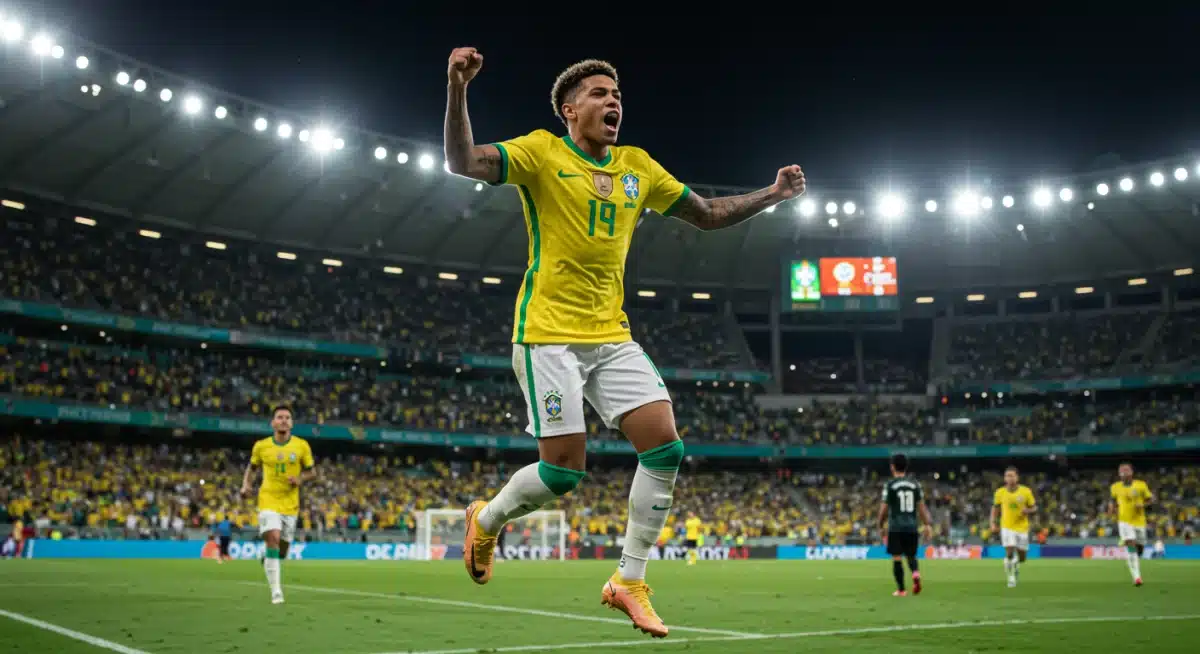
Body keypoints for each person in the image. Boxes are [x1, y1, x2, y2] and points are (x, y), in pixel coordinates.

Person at [443, 48, 805, 638]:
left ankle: (628, 581)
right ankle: (486, 518)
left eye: (617, 94)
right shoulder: (541, 152)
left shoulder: (636, 165)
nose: (613, 101)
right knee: (563, 473)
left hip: (610, 335)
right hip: (547, 335)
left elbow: (708, 214)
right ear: (569, 109)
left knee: (665, 448)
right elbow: (462, 161)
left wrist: (772, 193)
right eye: (599, 94)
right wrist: (458, 87)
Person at [241, 406, 315, 604]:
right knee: (272, 537)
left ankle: (268, 559)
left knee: (281, 550)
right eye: (280, 417)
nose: (283, 420)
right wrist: (246, 484)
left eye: (287, 418)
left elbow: (311, 472)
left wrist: (300, 478)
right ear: (273, 423)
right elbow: (252, 468)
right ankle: (276, 592)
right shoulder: (261, 446)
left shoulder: (301, 446)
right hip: (268, 500)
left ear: (292, 423)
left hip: (290, 505)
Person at [878, 453, 933, 596]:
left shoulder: (890, 485)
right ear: (906, 467)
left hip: (895, 526)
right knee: (911, 555)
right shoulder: (915, 484)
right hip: (912, 526)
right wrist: (927, 525)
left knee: (897, 557)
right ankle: (915, 573)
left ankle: (901, 590)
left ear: (892, 467)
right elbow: (921, 507)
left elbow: (884, 508)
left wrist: (880, 524)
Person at [990, 466, 1036, 588]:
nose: (1009, 478)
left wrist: (1028, 510)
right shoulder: (1000, 492)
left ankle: (1015, 564)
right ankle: (1010, 577)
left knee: (1022, 557)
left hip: (1022, 528)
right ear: (1005, 478)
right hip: (1007, 526)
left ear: (1017, 477)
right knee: (1009, 551)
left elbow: (1034, 507)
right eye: (1007, 476)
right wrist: (993, 523)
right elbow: (995, 509)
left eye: (1012, 475)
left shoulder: (1026, 492)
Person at [1109, 462, 1153, 586]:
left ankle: (1133, 556)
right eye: (1121, 471)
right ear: (1119, 474)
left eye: (1126, 470)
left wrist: (1143, 504)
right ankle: (1137, 577)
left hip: (1139, 521)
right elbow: (1112, 500)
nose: (1124, 472)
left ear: (1131, 472)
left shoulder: (1141, 485)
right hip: (1124, 521)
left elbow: (1151, 499)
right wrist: (1111, 509)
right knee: (1131, 544)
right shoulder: (1115, 487)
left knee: (1140, 548)